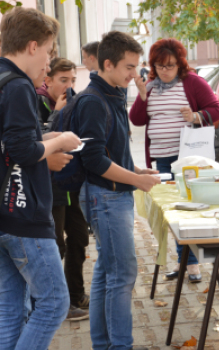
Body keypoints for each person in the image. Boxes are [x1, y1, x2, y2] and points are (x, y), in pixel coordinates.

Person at [0, 7, 82, 350]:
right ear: (32, 46)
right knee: (53, 304)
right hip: (24, 215)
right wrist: (60, 140)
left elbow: (11, 143)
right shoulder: (18, 85)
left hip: (5, 214)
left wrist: (48, 140)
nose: (49, 63)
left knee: (10, 308)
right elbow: (20, 150)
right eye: (48, 52)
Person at [75, 31, 160, 350]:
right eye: (128, 66)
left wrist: (137, 170)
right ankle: (119, 345)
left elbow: (111, 151)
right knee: (122, 275)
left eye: (136, 66)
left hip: (111, 195)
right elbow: (93, 159)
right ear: (106, 64)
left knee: (106, 274)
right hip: (104, 197)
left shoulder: (111, 92)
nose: (133, 74)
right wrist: (136, 181)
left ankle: (104, 344)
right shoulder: (93, 100)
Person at [129, 38, 219, 283]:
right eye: (160, 66)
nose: (165, 71)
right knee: (173, 212)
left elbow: (216, 109)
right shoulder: (149, 87)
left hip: (189, 160)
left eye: (170, 66)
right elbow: (137, 120)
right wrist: (141, 95)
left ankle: (191, 265)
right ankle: (187, 262)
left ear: (179, 64)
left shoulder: (192, 83)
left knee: (190, 211)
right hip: (161, 160)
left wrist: (195, 116)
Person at [36, 57, 90, 321]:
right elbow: (35, 141)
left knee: (79, 238)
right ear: (48, 80)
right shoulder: (38, 100)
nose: (68, 86)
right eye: (63, 80)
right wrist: (58, 112)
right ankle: (55, 304)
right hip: (49, 188)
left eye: (72, 81)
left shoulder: (73, 102)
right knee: (55, 245)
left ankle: (76, 294)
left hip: (70, 186)